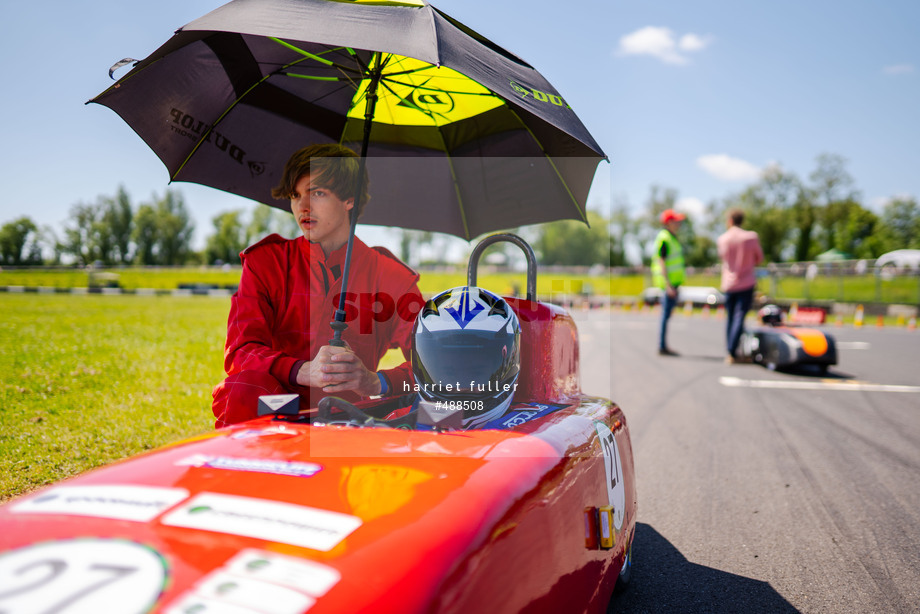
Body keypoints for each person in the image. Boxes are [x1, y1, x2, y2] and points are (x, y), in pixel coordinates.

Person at [211, 144, 425, 428]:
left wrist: (377, 381)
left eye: (317, 193)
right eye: (296, 195)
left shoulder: (392, 277)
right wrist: (302, 370)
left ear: (350, 199)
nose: (302, 207)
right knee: (244, 386)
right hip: (277, 412)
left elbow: (434, 369)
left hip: (353, 416)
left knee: (434, 405)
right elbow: (241, 352)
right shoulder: (265, 263)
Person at [717, 208, 764, 364]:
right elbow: (759, 258)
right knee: (739, 317)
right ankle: (732, 351)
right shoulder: (751, 237)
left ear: (730, 221)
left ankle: (730, 350)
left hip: (729, 284)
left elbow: (723, 258)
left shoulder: (723, 239)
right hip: (746, 282)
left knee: (730, 317)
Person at [651, 209, 686, 356]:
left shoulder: (672, 237)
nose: (678, 224)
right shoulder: (665, 237)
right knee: (665, 315)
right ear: (668, 222)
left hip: (674, 283)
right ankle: (662, 346)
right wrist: (668, 284)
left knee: (667, 314)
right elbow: (662, 262)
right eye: (676, 221)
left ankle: (663, 345)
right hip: (669, 284)